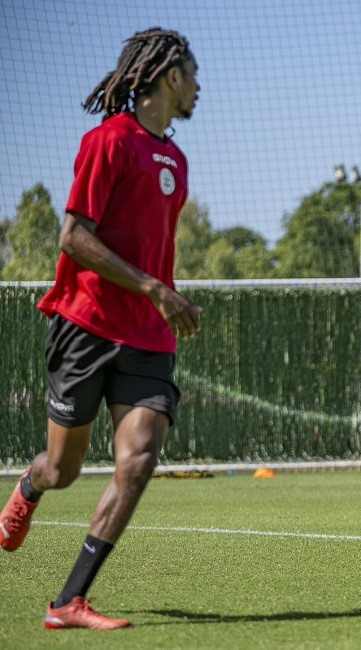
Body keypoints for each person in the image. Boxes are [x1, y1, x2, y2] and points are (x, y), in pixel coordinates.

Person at [0, 28, 202, 630]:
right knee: (61, 470)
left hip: (148, 335)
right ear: (170, 77)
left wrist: (156, 299)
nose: (198, 87)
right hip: (84, 325)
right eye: (193, 75)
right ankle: (29, 487)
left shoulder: (177, 158)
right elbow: (73, 238)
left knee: (138, 460)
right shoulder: (107, 141)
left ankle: (68, 602)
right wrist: (154, 287)